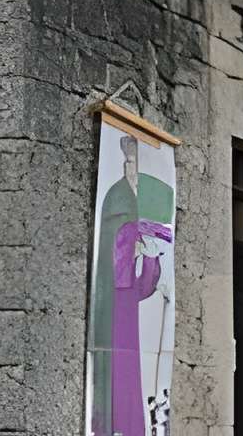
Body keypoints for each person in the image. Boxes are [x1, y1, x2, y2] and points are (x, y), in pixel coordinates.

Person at [89, 132, 175, 436]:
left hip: (125, 303)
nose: (132, 168)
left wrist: (150, 258)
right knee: (113, 372)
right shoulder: (115, 196)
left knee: (130, 373)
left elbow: (140, 288)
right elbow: (111, 255)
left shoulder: (140, 202)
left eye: (136, 162)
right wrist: (131, 241)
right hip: (110, 304)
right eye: (128, 160)